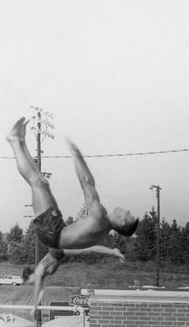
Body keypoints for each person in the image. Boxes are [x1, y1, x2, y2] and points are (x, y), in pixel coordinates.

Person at [7, 117, 139, 304]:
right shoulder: (102, 232)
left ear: (122, 222)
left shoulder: (100, 216)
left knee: (37, 182)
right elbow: (91, 249)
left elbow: (86, 182)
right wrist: (113, 251)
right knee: (42, 182)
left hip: (52, 232)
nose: (125, 210)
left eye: (127, 214)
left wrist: (76, 155)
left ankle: (14, 140)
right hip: (56, 232)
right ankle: (21, 140)